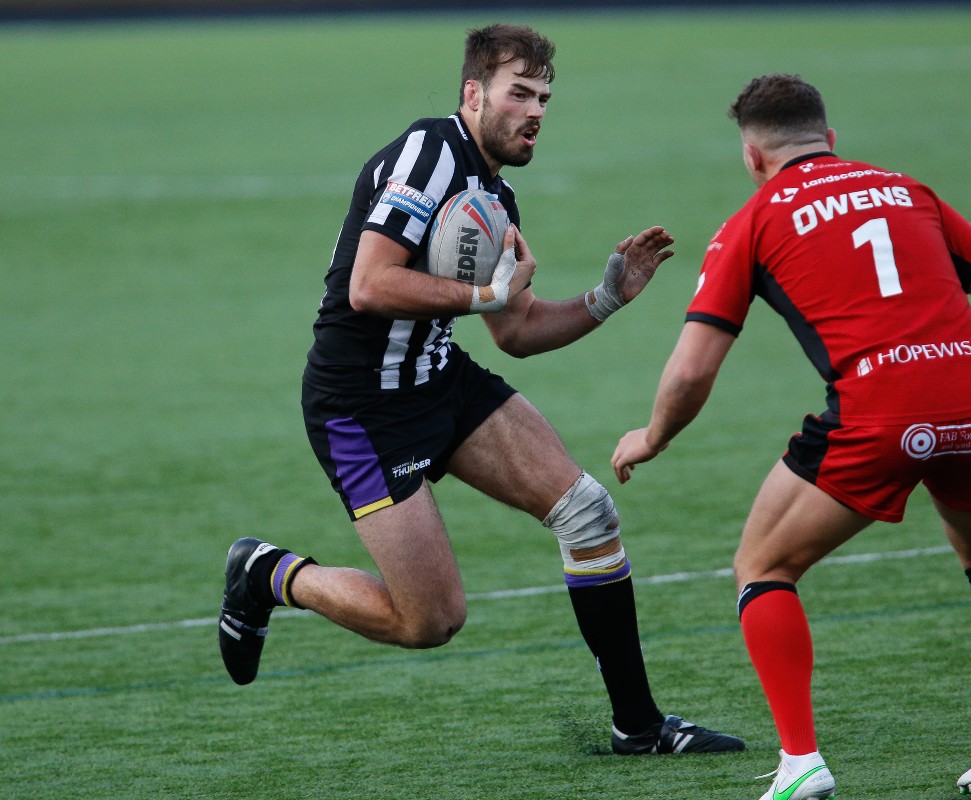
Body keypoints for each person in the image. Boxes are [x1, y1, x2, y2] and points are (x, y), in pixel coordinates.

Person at [216, 23, 743, 757]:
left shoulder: (495, 195)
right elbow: (369, 287)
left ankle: (638, 725)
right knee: (428, 622)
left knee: (586, 512)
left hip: (440, 379)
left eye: (545, 98)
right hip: (360, 407)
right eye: (519, 93)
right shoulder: (428, 152)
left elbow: (516, 332)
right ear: (473, 94)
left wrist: (605, 298)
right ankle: (267, 574)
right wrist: (480, 293)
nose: (535, 111)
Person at [612, 73, 971, 799]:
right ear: (830, 139)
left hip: (877, 410)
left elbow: (690, 373)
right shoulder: (910, 190)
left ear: (752, 156)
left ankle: (800, 762)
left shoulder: (752, 220)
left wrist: (651, 437)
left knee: (762, 566)